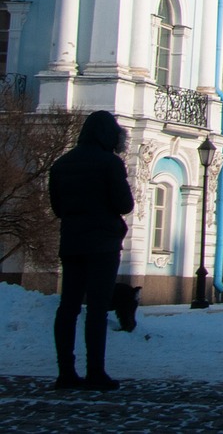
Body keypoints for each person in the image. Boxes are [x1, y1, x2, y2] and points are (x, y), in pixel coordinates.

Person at [48, 109, 135, 391]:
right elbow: (124, 204)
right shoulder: (110, 163)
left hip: (72, 242)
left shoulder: (62, 164)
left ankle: (66, 372)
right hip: (103, 245)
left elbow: (58, 208)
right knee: (97, 309)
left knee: (68, 307)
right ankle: (95, 371)